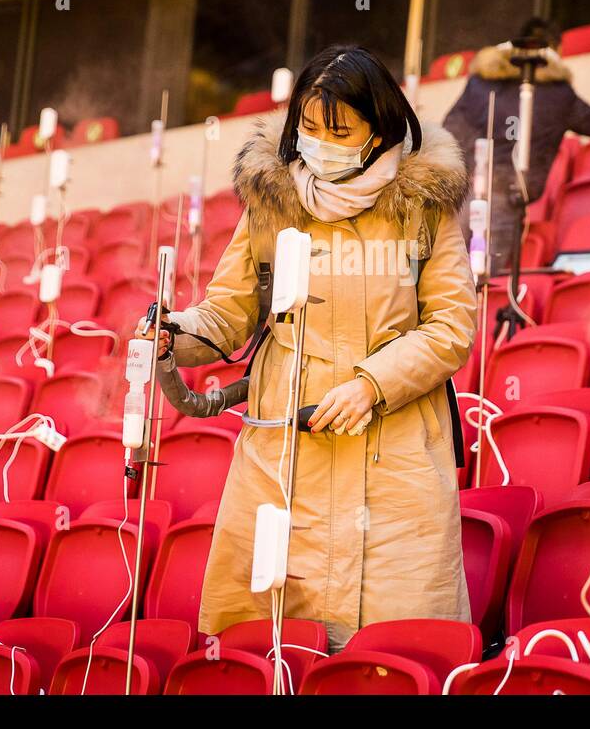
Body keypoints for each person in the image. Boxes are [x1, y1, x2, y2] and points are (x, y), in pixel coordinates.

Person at [140, 45, 477, 652]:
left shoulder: (424, 208)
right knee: (268, 646)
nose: (321, 143)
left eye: (340, 130)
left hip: (394, 461)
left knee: (390, 656)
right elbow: (229, 313)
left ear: (381, 128)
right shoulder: (274, 202)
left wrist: (373, 384)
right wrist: (175, 334)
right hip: (283, 460)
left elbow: (451, 325)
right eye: (311, 128)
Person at [443, 16, 590, 274]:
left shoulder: (480, 82)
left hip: (458, 196)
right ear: (556, 51)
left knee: (445, 281)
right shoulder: (556, 93)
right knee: (480, 283)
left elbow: (449, 132)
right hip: (504, 200)